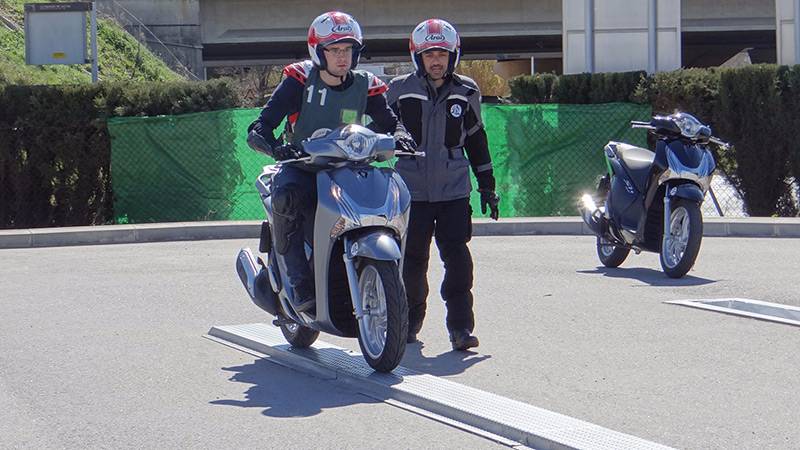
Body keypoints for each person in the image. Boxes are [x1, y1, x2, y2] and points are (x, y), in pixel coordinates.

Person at [247, 11, 415, 313]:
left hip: (348, 168)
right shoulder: (299, 79)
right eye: (334, 50)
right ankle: (298, 282)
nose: (342, 57)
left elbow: (391, 122)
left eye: (348, 50)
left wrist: (402, 135)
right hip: (303, 167)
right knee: (287, 198)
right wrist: (277, 149)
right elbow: (260, 127)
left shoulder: (368, 84)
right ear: (318, 51)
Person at [386, 19, 500, 351]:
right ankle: (408, 323)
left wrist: (487, 186)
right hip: (411, 192)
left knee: (458, 261)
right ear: (416, 56)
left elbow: (478, 141)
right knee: (412, 262)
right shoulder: (398, 90)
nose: (436, 60)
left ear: (453, 55)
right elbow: (380, 127)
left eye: (442, 54)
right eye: (429, 54)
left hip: (453, 191)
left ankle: (461, 328)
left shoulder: (466, 91)